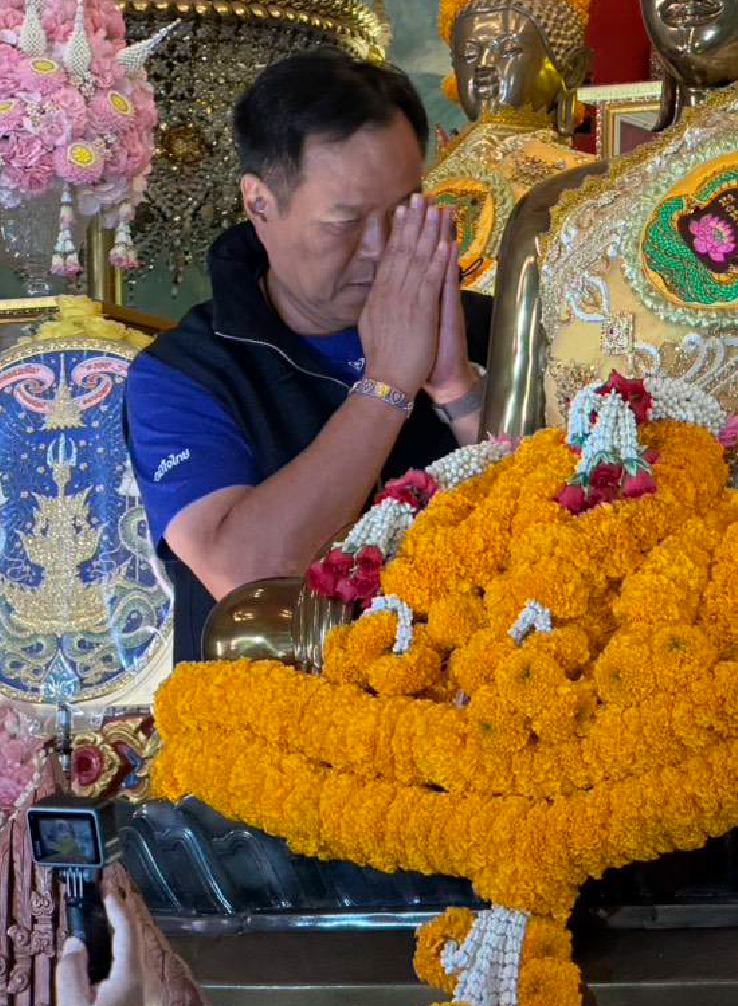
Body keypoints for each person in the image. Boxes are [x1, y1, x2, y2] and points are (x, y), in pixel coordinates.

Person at [124, 50, 491, 658]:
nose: (379, 248)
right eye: (346, 222)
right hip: (272, 732)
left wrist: (457, 388)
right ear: (259, 203)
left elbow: (570, 521)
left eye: (403, 214)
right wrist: (388, 384)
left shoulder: (484, 328)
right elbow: (247, 574)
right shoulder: (187, 374)